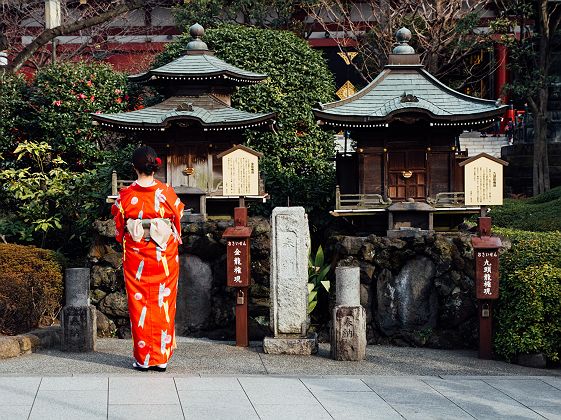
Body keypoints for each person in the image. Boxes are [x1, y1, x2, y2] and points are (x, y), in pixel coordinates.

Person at [111, 145, 184, 372]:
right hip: (164, 255)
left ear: (134, 167)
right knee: (163, 302)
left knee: (139, 301)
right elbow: (178, 217)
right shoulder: (167, 193)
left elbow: (119, 226)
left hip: (136, 254)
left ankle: (143, 358)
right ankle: (161, 357)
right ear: (155, 167)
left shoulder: (125, 195)